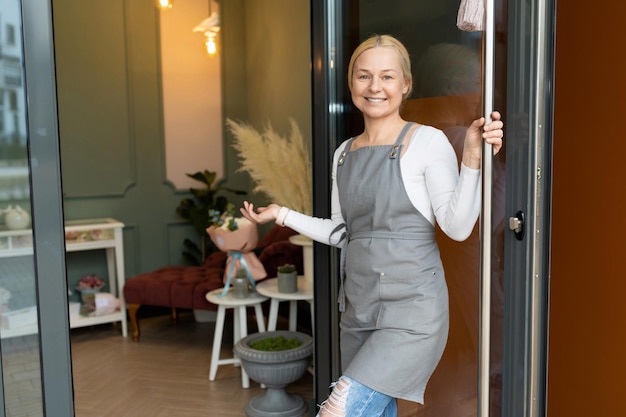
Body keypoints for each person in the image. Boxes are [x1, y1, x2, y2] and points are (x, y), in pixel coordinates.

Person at [240, 34, 503, 417]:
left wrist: (473, 157)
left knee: (338, 410)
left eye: (387, 76)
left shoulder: (426, 142)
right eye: (364, 76)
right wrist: (281, 214)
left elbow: (458, 227)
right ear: (351, 84)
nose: (375, 86)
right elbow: (341, 233)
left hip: (413, 313)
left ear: (406, 84)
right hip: (358, 310)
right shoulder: (343, 155)